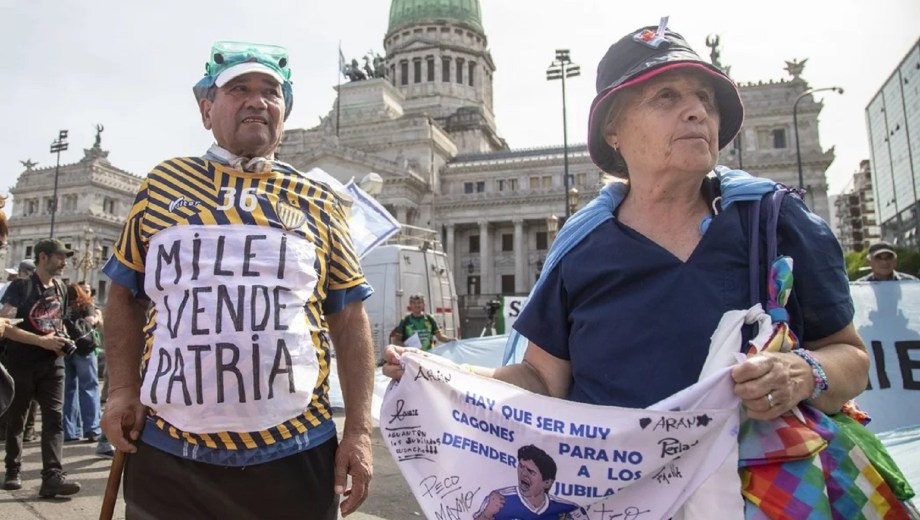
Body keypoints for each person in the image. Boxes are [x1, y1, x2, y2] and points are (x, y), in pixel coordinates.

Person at [385, 22, 868, 512]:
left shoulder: (776, 222)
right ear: (613, 130)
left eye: (706, 97)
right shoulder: (581, 248)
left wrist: (802, 372)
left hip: (762, 497)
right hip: (620, 500)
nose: (697, 110)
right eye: (665, 96)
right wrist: (448, 376)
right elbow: (539, 382)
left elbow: (849, 356)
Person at [100, 40, 375, 519]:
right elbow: (124, 296)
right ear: (207, 109)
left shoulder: (319, 199)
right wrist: (122, 390)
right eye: (238, 88)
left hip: (295, 452)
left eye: (271, 91)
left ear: (284, 113)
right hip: (171, 453)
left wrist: (358, 430)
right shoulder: (162, 185)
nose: (256, 100)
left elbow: (349, 317)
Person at [0, 238, 81, 497]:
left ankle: (52, 478)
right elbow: (4, 326)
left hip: (53, 364)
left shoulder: (61, 288)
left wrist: (64, 339)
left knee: (54, 418)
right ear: (43, 257)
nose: (64, 262)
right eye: (59, 257)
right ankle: (13, 470)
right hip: (21, 363)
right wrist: (41, 341)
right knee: (18, 418)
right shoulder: (20, 287)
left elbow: (60, 321)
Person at [474, 445, 586, 520]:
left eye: (531, 471)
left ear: (547, 483)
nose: (523, 473)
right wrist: (487, 514)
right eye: (521, 467)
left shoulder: (568, 509)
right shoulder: (498, 499)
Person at [61, 283, 101, 443]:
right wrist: (97, 318)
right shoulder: (86, 305)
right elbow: (91, 321)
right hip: (84, 349)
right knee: (89, 387)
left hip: (66, 348)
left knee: (68, 390)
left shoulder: (63, 306)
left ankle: (70, 431)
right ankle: (92, 428)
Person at [391, 293, 455, 351]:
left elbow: (440, 337)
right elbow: (397, 341)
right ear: (410, 305)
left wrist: (450, 340)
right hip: (412, 357)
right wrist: (407, 349)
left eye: (419, 302)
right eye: (414, 303)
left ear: (423, 305)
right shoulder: (405, 320)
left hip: (428, 356)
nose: (417, 305)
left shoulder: (429, 318)